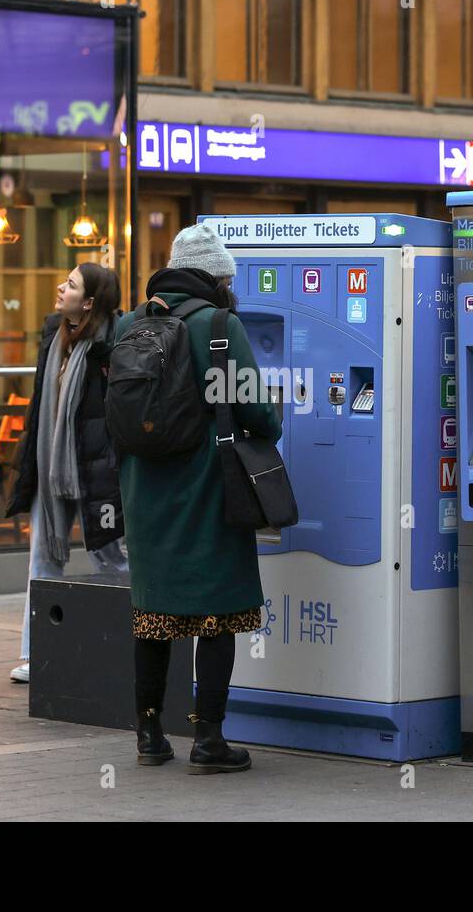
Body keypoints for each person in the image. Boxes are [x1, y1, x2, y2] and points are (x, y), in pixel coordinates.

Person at [115, 224, 281, 774]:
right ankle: (208, 740)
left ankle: (147, 736)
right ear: (217, 277)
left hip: (144, 488)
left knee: (153, 612)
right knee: (217, 613)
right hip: (207, 484)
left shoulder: (129, 324)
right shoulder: (218, 325)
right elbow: (257, 411)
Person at [4, 263, 126, 684]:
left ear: (89, 302)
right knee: (43, 558)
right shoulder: (54, 336)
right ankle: (35, 654)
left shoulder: (115, 343)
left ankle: (136, 643)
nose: (60, 287)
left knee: (111, 558)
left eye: (71, 285)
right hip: (51, 464)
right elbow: (42, 403)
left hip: (97, 470)